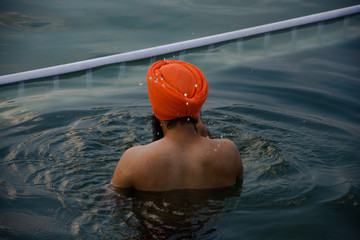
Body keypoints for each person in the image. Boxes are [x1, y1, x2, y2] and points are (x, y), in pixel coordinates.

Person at [112, 60, 243, 191]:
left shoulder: (134, 161)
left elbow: (110, 204)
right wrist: (201, 127)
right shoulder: (229, 153)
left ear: (157, 106)